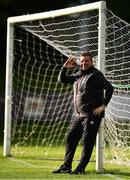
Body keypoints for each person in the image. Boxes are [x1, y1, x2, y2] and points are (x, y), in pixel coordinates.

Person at [52, 52, 113, 174]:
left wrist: (103, 106)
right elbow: (61, 79)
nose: (84, 63)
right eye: (82, 61)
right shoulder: (79, 75)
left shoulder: (96, 75)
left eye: (87, 61)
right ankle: (66, 166)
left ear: (92, 62)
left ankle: (80, 168)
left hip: (92, 115)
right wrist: (64, 68)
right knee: (70, 138)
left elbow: (110, 88)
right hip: (79, 115)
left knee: (87, 141)